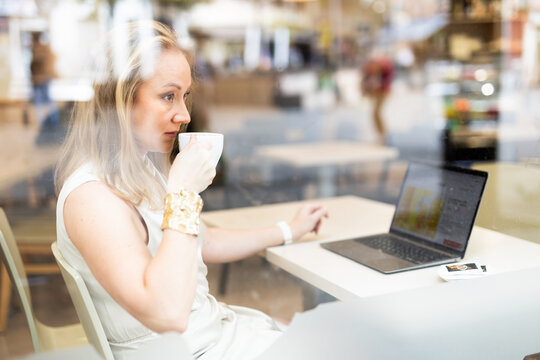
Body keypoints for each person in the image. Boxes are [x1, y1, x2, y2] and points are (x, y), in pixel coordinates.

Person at [54, 21, 328, 360]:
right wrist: (182, 192)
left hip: (212, 336)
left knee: (321, 332)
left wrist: (289, 229)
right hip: (192, 350)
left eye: (184, 97)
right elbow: (167, 313)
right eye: (168, 96)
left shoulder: (139, 170)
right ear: (119, 99)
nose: (184, 115)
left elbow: (203, 241)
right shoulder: (92, 198)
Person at [360, 52, 394, 144]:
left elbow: (387, 79)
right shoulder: (376, 67)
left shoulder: (384, 67)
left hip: (382, 91)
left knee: (376, 113)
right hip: (379, 91)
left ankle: (383, 134)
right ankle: (381, 134)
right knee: (375, 113)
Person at [30, 31, 59, 129]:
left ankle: (47, 120)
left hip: (41, 78)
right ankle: (50, 119)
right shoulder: (42, 48)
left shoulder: (39, 49)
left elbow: (37, 65)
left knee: (42, 100)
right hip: (42, 78)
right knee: (45, 99)